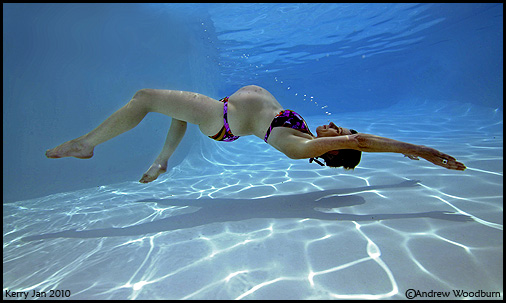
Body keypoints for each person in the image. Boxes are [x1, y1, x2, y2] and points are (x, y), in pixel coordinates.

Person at [46, 85, 466, 183]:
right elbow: (356, 140)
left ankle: (87, 145)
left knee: (145, 98)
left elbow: (359, 143)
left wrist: (420, 149)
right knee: (176, 114)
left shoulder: (305, 148)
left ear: (334, 150)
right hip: (222, 115)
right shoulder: (306, 138)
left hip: (225, 120)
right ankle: (162, 160)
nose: (337, 126)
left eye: (339, 134)